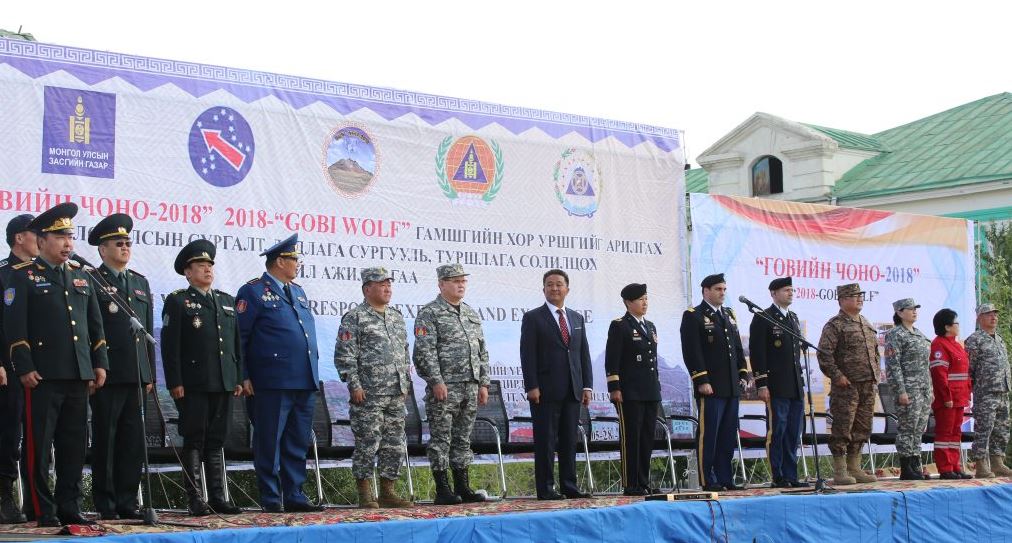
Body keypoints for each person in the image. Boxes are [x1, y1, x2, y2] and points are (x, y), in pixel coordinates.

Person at [4, 203, 109, 527]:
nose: (68, 243)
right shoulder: (21, 277)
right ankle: (41, 509)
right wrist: (23, 367)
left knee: (73, 446)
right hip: (43, 377)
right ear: (42, 239)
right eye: (61, 236)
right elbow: (13, 327)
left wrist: (99, 363)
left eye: (70, 236)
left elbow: (95, 327)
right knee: (39, 447)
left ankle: (69, 505)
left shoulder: (81, 277)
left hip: (78, 375)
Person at [235, 234, 323, 513]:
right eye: (294, 259)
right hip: (271, 381)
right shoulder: (253, 291)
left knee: (297, 440)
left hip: (303, 377)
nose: (297, 264)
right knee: (269, 440)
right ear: (280, 261)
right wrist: (244, 375)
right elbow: (241, 337)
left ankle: (295, 494)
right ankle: (272, 497)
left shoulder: (298, 291)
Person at [161, 239, 243, 515]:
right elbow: (170, 346)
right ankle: (196, 498)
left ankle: (219, 496)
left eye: (209, 265)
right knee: (194, 438)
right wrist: (175, 382)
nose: (207, 270)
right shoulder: (178, 301)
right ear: (188, 272)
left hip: (223, 381)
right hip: (194, 383)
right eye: (200, 265)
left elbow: (235, 344)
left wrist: (238, 377)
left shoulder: (225, 301)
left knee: (217, 439)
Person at [85, 214, 156, 520]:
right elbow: (88, 329)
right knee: (107, 439)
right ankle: (107, 502)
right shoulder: (91, 280)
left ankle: (129, 501)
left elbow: (147, 330)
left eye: (128, 242)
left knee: (132, 442)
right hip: (108, 375)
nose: (125, 247)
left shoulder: (140, 282)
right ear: (103, 249)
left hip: (136, 375)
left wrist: (149, 372)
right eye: (118, 243)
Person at [334, 267, 412, 509]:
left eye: (389, 284)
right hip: (368, 394)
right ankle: (365, 493)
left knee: (394, 443)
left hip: (395, 393)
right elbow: (345, 356)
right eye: (381, 284)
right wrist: (354, 385)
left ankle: (388, 491)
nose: (387, 288)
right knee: (368, 442)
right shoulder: (355, 317)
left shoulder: (397, 317)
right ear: (367, 289)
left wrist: (405, 383)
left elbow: (404, 352)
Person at [413, 264, 490, 505]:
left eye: (463, 281)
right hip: (445, 388)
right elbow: (424, 352)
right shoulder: (430, 313)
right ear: (441, 284)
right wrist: (436, 380)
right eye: (454, 280)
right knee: (441, 439)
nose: (460, 284)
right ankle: (443, 489)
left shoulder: (470, 314)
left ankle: (462, 486)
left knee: (462, 439)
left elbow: (482, 352)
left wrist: (483, 383)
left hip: (470, 386)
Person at [519, 269, 593, 500]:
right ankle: (546, 488)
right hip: (545, 391)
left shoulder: (576, 318)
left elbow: (583, 354)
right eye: (550, 285)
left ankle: (569, 486)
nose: (554, 288)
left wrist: (587, 386)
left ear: (567, 289)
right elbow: (527, 354)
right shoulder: (533, 318)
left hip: (573, 389)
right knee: (546, 441)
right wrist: (532, 386)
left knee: (570, 440)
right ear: (544, 290)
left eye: (559, 284)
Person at [680, 273, 747, 491]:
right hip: (710, 386)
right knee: (709, 434)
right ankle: (707, 478)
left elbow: (737, 348)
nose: (722, 293)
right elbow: (692, 351)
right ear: (706, 291)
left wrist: (743, 374)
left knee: (728, 434)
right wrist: (701, 379)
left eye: (724, 289)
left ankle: (725, 477)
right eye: (718, 289)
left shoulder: (729, 314)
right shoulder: (694, 315)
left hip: (730, 386)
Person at [748, 277, 808, 488]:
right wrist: (761, 383)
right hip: (776, 385)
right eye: (785, 290)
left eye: (791, 290)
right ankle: (779, 475)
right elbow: (757, 353)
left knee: (794, 431)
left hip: (794, 385)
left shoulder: (792, 317)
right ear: (773, 293)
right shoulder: (764, 318)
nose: (790, 293)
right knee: (778, 429)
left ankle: (792, 475)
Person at [816, 283, 879, 486]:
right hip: (846, 386)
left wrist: (875, 376)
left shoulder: (866, 323)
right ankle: (840, 470)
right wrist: (837, 376)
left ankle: (855, 467)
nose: (860, 299)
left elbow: (875, 354)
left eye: (861, 295)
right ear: (842, 300)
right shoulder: (835, 325)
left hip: (868, 385)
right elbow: (824, 354)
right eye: (854, 296)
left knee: (862, 427)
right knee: (843, 426)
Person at [605, 283, 661, 496]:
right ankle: (631, 483)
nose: (645, 303)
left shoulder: (651, 326)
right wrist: (615, 387)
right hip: (630, 392)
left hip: (650, 390)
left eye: (646, 298)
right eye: (640, 299)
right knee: (632, 437)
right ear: (628, 302)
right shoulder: (620, 326)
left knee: (647, 437)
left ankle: (643, 481)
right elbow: (612, 359)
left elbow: (652, 361)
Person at [0, 214, 35, 524]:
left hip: (40, 369)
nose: (40, 238)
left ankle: (38, 500)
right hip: (7, 369)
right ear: (19, 238)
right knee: (9, 434)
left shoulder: (43, 274)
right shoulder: (3, 273)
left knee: (40, 437)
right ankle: (5, 498)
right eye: (33, 233)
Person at [883, 298, 933, 480]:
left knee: (919, 428)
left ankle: (915, 464)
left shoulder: (919, 334)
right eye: (910, 309)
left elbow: (926, 365)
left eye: (915, 308)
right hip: (908, 390)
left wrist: (931, 389)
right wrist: (900, 391)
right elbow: (893, 365)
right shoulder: (895, 334)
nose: (914, 311)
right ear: (899, 312)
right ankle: (906, 467)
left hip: (923, 389)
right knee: (907, 428)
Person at [966, 303, 1012, 478]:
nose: (994, 317)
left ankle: (997, 462)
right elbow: (970, 369)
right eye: (988, 314)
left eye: (995, 314)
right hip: (985, 392)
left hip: (1003, 390)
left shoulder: (999, 339)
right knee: (984, 428)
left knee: (1002, 428)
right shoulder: (974, 340)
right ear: (979, 318)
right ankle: (981, 464)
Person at [929, 308, 972, 479]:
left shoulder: (956, 344)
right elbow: (940, 374)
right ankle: (945, 468)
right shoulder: (938, 344)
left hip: (959, 397)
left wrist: (967, 394)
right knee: (944, 433)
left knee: (955, 433)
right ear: (947, 326)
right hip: (948, 399)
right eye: (956, 323)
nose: (958, 326)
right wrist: (946, 397)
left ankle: (956, 466)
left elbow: (965, 372)